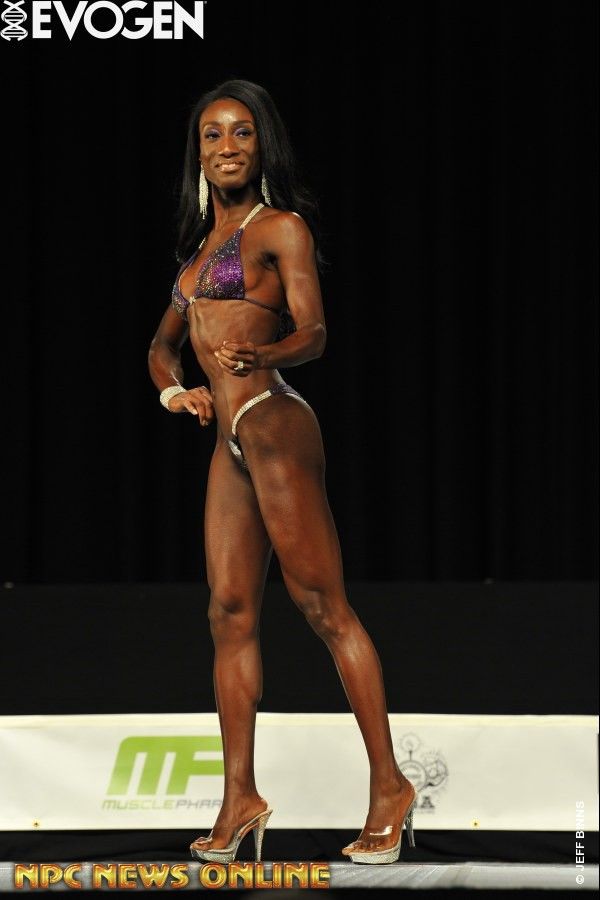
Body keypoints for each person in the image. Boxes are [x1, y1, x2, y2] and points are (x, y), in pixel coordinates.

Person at [148, 79, 416, 865]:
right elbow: (161, 345)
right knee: (228, 613)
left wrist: (265, 351)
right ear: (198, 154)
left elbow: (316, 331)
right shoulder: (197, 256)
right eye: (211, 135)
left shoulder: (279, 229)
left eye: (241, 132)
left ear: (263, 146)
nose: (226, 146)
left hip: (272, 420)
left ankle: (391, 786)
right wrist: (174, 391)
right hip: (227, 441)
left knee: (323, 607)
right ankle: (240, 796)